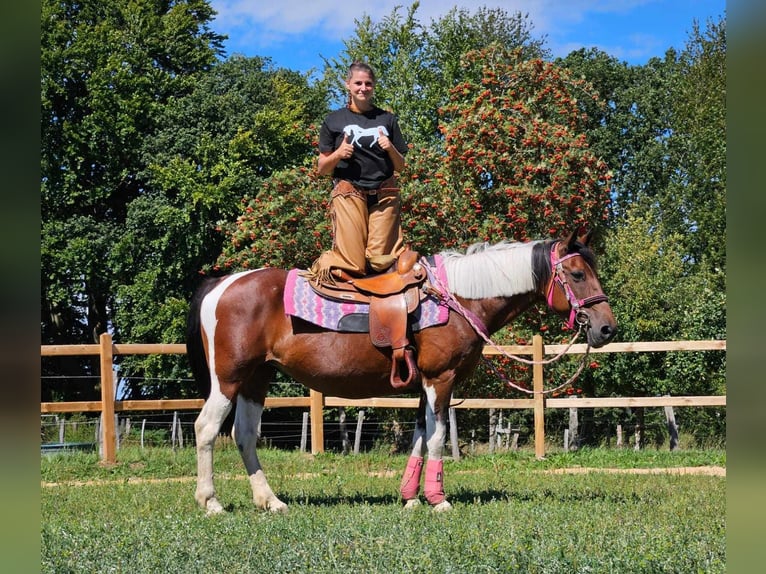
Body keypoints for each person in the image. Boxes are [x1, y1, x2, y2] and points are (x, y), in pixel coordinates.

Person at [306, 61, 408, 285]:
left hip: (384, 193)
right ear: (348, 85)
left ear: (374, 86)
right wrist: (339, 153)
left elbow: (400, 166)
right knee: (353, 263)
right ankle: (316, 273)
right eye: (358, 83)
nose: (363, 88)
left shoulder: (387, 120)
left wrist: (389, 146)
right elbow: (322, 169)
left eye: (368, 83)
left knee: (381, 260)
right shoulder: (334, 120)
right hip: (349, 192)